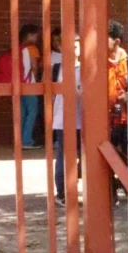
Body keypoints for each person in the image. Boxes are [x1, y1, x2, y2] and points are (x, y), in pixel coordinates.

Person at [51, 31, 82, 207]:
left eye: (76, 45)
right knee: (64, 155)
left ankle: (77, 186)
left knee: (83, 155)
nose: (73, 49)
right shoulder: (56, 68)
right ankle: (62, 192)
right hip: (62, 119)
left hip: (83, 119)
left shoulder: (86, 68)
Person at [108, 20, 128, 204]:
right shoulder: (98, 61)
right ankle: (111, 192)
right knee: (108, 157)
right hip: (107, 118)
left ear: (116, 42)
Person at [18, 23, 42, 149]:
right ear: (29, 35)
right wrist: (37, 80)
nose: (37, 38)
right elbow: (34, 67)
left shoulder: (18, 48)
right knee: (33, 112)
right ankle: (26, 140)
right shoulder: (32, 49)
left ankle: (19, 139)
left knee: (22, 113)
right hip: (29, 83)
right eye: (35, 35)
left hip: (18, 84)